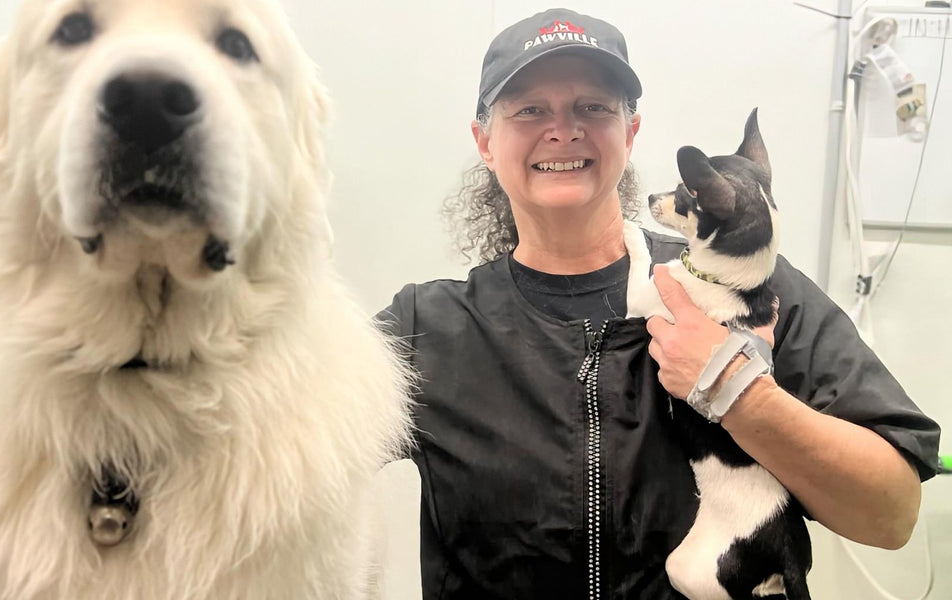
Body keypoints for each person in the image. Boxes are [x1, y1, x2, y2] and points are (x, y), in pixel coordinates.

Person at [376, 8, 941, 599]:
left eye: (593, 106)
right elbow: (280, 467)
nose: (563, 129)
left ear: (631, 131)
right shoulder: (425, 330)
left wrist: (740, 393)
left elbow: (891, 514)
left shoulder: (750, 291)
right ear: (485, 141)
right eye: (529, 109)